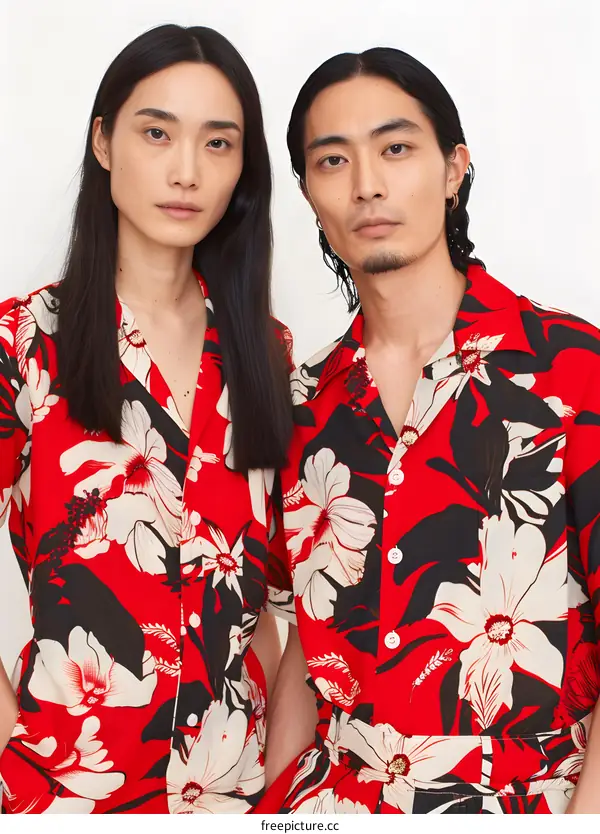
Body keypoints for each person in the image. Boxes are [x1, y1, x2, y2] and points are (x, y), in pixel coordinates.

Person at [261, 47, 600, 814]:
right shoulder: (301, 407)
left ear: (454, 169)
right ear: (309, 191)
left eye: (396, 147)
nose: (367, 184)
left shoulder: (572, 373)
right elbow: (300, 660)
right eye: (332, 160)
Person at [0, 24, 293, 814]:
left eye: (219, 143)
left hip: (237, 792)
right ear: (103, 141)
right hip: (65, 791)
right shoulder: (24, 343)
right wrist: (12, 735)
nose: (187, 170)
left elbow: (279, 599)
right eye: (157, 132)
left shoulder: (269, 356)